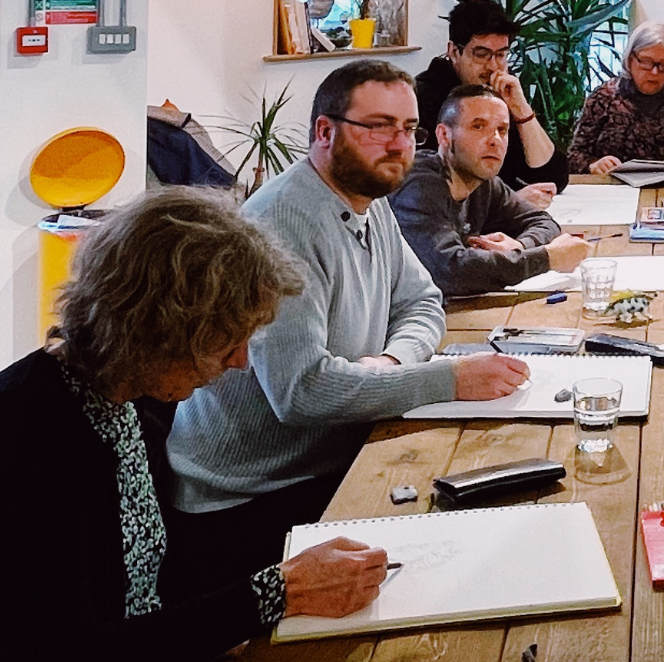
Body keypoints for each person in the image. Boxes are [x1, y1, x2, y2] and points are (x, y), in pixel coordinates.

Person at [6, 188, 389, 662]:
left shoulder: (131, 397)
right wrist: (273, 594)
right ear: (157, 326)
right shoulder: (31, 434)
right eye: (226, 340)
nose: (239, 362)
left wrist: (236, 623)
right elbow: (73, 660)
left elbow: (143, 597)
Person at [164, 61, 530, 597]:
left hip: (331, 453)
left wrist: (391, 365)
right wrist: (447, 379)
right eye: (379, 126)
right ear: (325, 132)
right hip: (250, 499)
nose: (398, 143)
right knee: (460, 572)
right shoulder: (282, 222)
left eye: (409, 129)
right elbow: (302, 393)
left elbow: (422, 301)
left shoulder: (369, 199)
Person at [393, 84, 591, 295]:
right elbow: (451, 271)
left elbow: (542, 221)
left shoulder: (483, 181)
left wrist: (519, 247)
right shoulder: (419, 186)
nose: (495, 140)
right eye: (478, 127)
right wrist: (547, 258)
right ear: (444, 135)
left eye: (502, 130)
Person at [415, 0, 566, 206]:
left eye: (501, 55)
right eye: (482, 54)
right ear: (454, 52)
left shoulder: (500, 94)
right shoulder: (424, 99)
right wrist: (510, 203)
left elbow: (552, 178)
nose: (494, 66)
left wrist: (519, 108)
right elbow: (430, 191)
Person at [567, 20, 664, 176]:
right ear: (630, 59)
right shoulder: (604, 97)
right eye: (647, 62)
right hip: (614, 190)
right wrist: (593, 165)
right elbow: (575, 156)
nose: (655, 72)